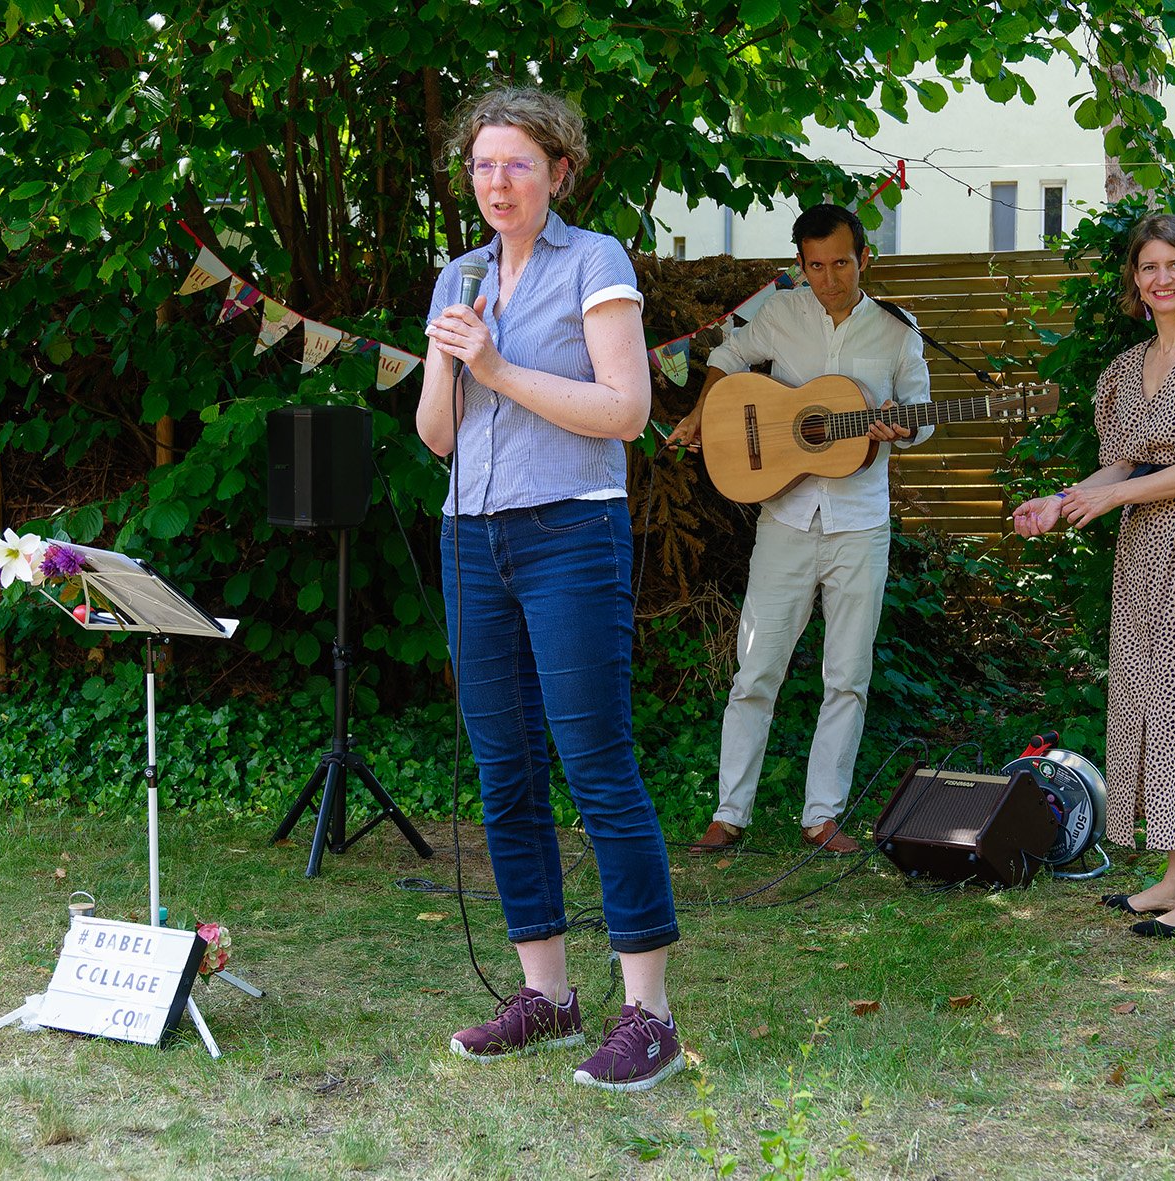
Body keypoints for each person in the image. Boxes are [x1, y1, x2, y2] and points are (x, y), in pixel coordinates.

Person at [416, 87, 685, 1092]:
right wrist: (452, 361)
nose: (497, 182)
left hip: (570, 531)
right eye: (482, 165)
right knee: (505, 771)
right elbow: (436, 437)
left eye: (517, 163)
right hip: (468, 540)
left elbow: (624, 410)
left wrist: (496, 363)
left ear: (559, 171)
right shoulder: (460, 273)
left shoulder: (596, 262)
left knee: (597, 764)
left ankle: (648, 1013)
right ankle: (548, 993)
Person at [1011, 212, 1175, 937]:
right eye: (1149, 266)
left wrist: (1112, 495)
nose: (1162, 279)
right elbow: (1122, 464)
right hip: (1144, 544)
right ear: (1135, 277)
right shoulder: (1127, 368)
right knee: (1157, 701)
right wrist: (1062, 503)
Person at [665, 204, 931, 856]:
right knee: (754, 670)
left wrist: (904, 424)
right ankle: (730, 812)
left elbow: (923, 415)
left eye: (841, 263)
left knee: (847, 675)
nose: (830, 278)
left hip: (859, 525)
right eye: (816, 266)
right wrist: (706, 410)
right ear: (801, 264)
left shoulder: (898, 332)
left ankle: (822, 816)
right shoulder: (780, 314)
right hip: (784, 518)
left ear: (864, 257)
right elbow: (727, 354)